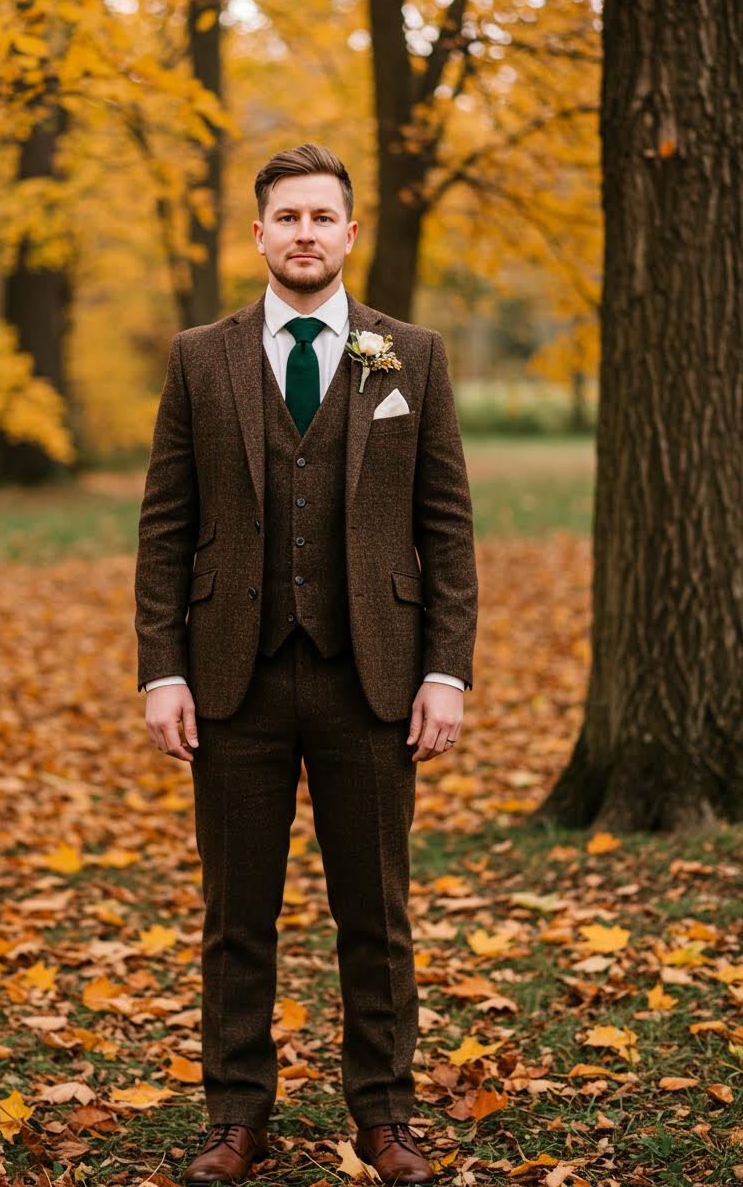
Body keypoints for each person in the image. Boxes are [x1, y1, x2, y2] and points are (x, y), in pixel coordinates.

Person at [134, 142, 478, 1184]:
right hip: (228, 675)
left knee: (374, 910)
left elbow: (445, 526)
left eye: (321, 217)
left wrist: (444, 669)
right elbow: (165, 524)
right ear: (257, 233)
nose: (303, 233)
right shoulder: (202, 356)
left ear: (348, 232)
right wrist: (162, 668)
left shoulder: (407, 354)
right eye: (285, 216)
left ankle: (383, 1113)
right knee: (235, 912)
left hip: (370, 675)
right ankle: (235, 1115)